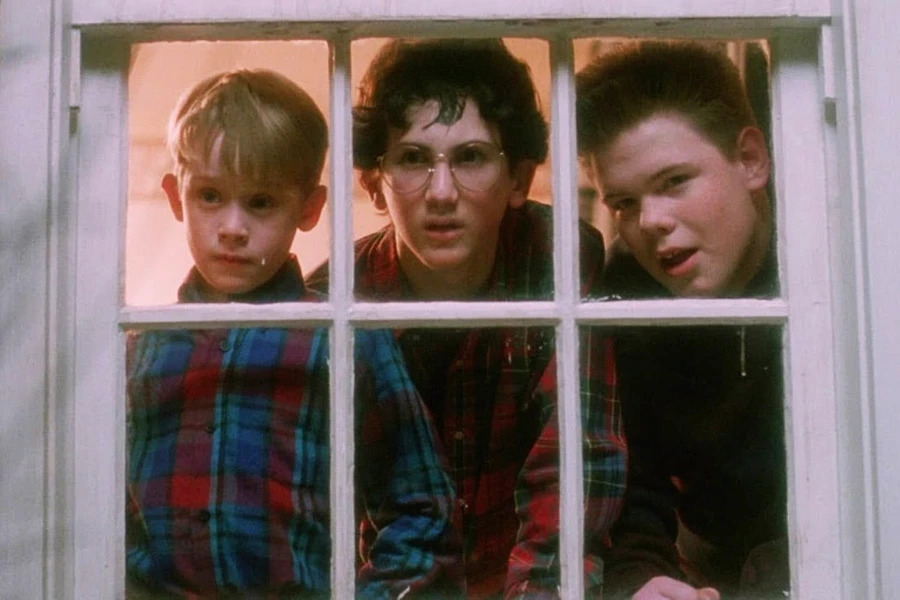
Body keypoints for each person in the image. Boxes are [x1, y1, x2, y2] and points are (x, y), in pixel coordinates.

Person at [307, 39, 625, 598]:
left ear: (519, 179)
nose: (441, 193)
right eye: (413, 158)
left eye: (471, 157)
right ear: (374, 185)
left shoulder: (558, 258)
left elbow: (576, 459)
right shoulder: (331, 302)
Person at [125, 68, 460, 598]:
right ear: (175, 196)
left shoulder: (343, 338)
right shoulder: (142, 346)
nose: (232, 228)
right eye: (209, 195)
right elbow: (98, 511)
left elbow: (422, 507)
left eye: (260, 202)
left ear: (309, 208)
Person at [576, 42, 786, 600]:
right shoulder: (626, 288)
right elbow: (633, 481)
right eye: (623, 203)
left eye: (673, 182)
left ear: (750, 160)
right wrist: (641, 580)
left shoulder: (834, 254)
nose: (650, 221)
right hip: (710, 565)